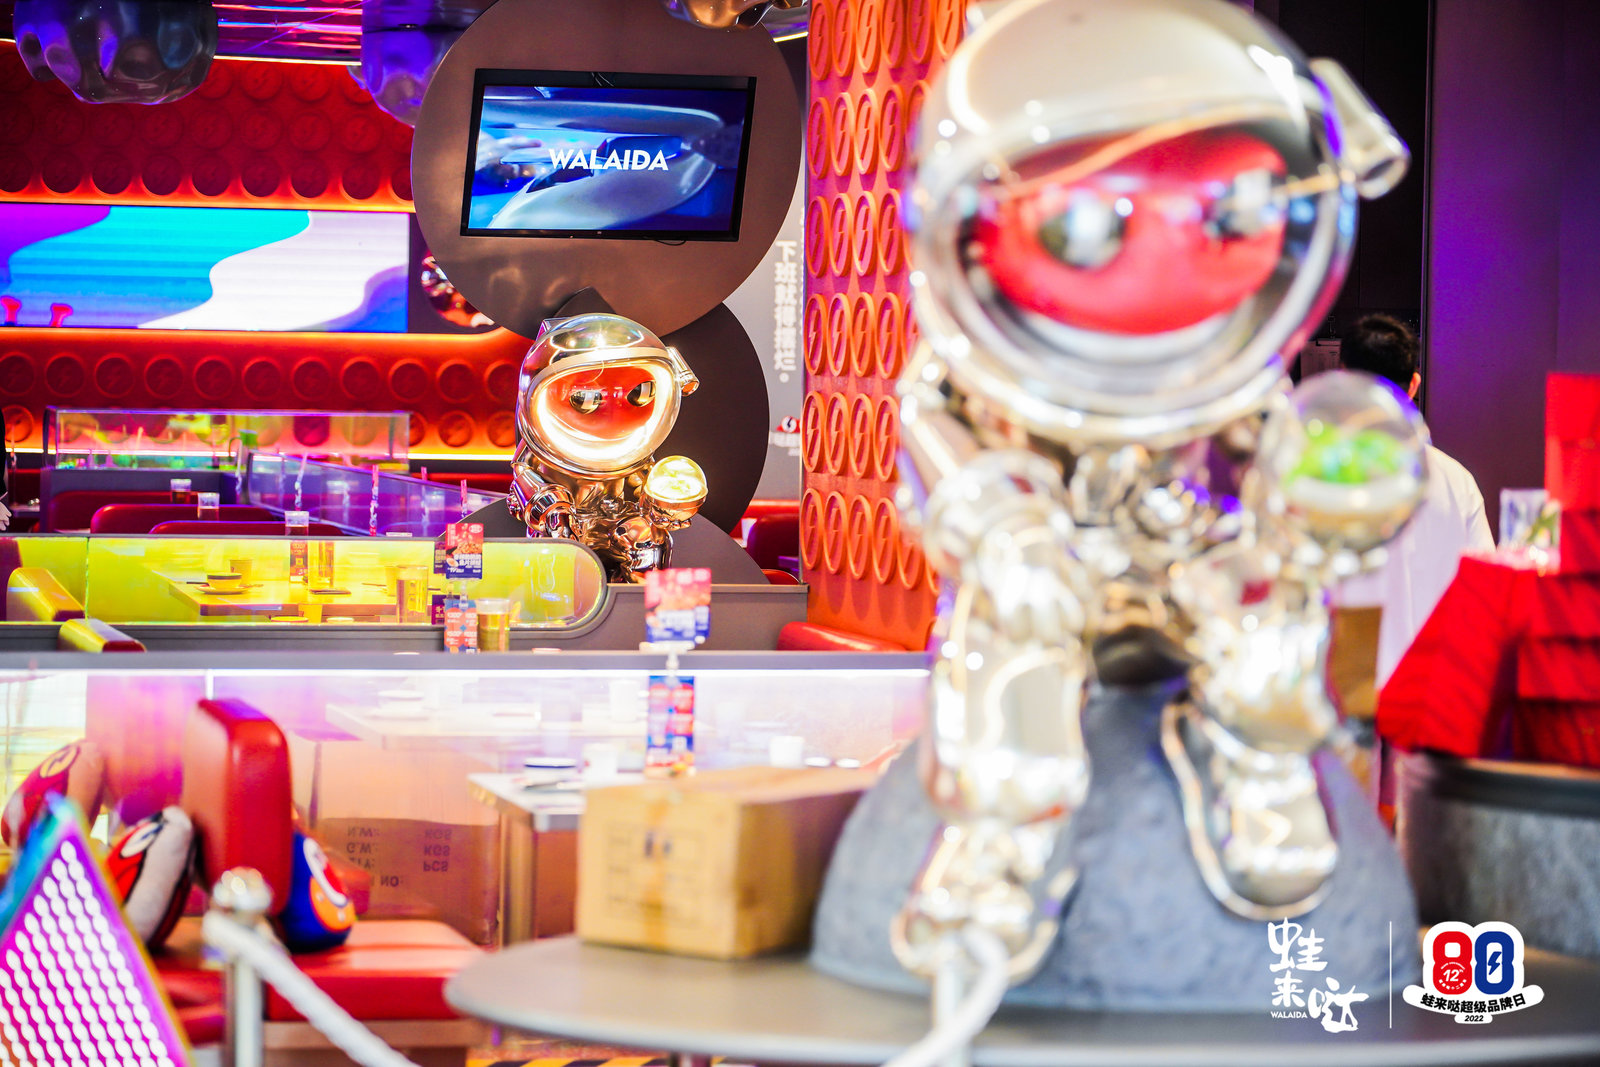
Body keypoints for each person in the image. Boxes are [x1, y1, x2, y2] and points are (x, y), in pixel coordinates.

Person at [1335, 314, 1493, 684]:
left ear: (1341, 380)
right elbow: (1485, 597)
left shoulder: (1320, 480)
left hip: (1348, 689)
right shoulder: (1457, 481)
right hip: (1435, 689)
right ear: (1414, 385)